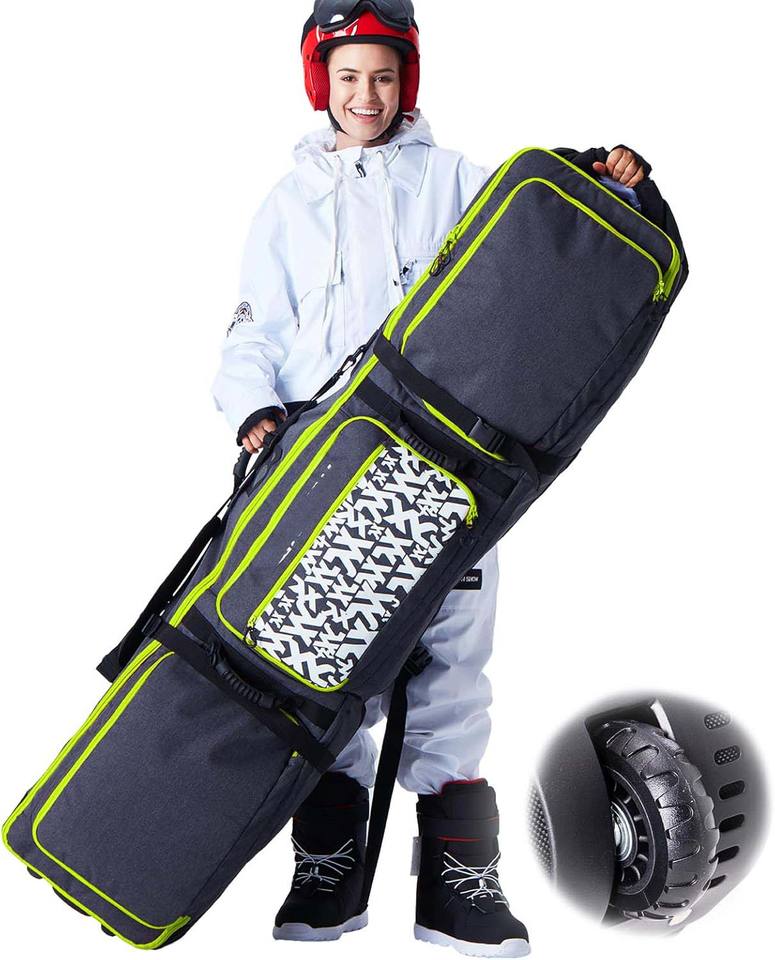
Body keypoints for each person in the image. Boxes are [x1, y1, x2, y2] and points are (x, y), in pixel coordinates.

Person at [212, 2, 644, 955]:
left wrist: (600, 177)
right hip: (323, 465)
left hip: (449, 461)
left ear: (407, 80)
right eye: (348, 76)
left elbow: (541, 243)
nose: (366, 95)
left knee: (449, 655)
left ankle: (458, 883)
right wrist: (253, 411)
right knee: (323, 659)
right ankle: (329, 864)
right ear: (320, 81)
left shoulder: (454, 180)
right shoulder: (286, 206)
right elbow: (252, 330)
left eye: (384, 76)